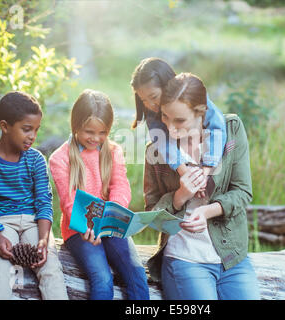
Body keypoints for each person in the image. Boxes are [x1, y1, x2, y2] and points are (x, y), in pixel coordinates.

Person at [144, 73, 261, 300]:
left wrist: (208, 211)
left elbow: (243, 191)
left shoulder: (231, 130)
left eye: (180, 121)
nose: (170, 128)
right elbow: (151, 214)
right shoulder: (156, 150)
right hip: (185, 258)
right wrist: (179, 196)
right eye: (165, 117)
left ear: (201, 112)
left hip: (231, 257)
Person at [49, 89, 149, 300]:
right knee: (102, 278)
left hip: (110, 224)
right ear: (75, 126)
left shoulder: (113, 151)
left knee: (137, 273)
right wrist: (88, 226)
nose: (96, 138)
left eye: (102, 133)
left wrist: (112, 214)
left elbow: (120, 186)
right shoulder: (60, 158)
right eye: (89, 132)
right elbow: (69, 201)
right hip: (80, 230)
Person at [0, 91, 68, 300]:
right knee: (1, 270)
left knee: (50, 267)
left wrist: (43, 240)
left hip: (34, 223)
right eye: (26, 129)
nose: (32, 136)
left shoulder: (36, 160)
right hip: (1, 223)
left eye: (36, 130)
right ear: (5, 126)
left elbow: (43, 202)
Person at [130, 57, 227, 197]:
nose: (150, 105)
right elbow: (163, 143)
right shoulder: (152, 114)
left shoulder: (193, 95)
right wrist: (184, 171)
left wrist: (205, 172)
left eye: (154, 96)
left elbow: (216, 127)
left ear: (167, 85)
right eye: (144, 100)